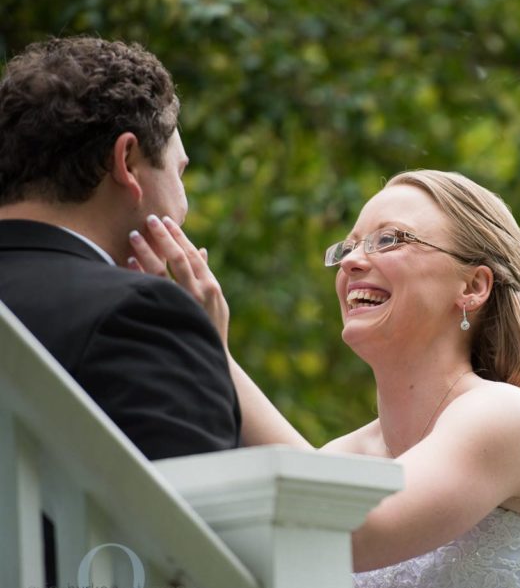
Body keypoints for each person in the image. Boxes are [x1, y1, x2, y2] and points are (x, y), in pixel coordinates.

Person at [132, 169, 520, 588]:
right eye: (348, 246)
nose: (353, 261)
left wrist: (216, 355)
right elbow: (289, 526)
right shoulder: (347, 455)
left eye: (389, 240)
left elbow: (342, 528)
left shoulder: (504, 417)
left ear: (474, 287)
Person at [0, 36, 309, 458]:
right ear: (127, 161)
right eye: (178, 173)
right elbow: (200, 513)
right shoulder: (138, 316)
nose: (184, 205)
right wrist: (207, 352)